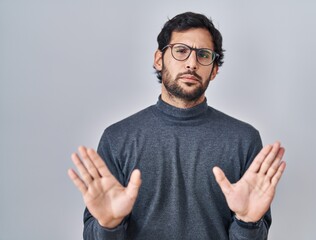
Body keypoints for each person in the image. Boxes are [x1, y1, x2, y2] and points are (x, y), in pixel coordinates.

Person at [68, 12, 286, 240]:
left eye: (203, 55)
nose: (192, 63)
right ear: (158, 59)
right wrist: (109, 225)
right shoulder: (118, 138)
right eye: (181, 51)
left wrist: (247, 223)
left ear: (214, 70)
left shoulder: (244, 140)